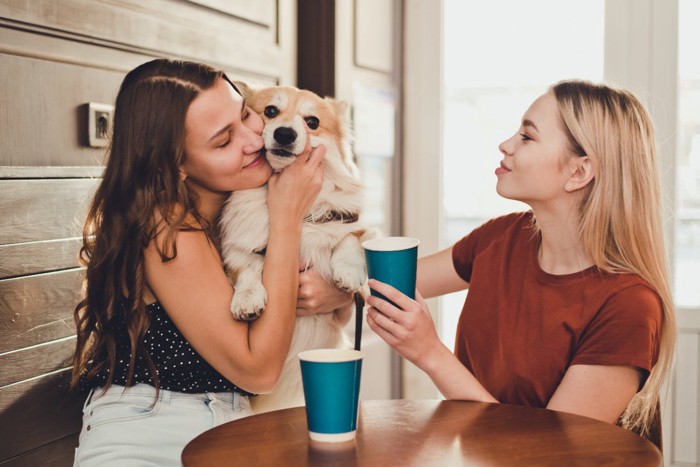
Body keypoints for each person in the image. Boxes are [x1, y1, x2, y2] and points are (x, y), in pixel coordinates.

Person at [70, 58, 354, 465]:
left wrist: (335, 296)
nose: (254, 141)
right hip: (150, 437)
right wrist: (287, 217)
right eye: (224, 141)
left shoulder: (236, 209)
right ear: (176, 166)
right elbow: (259, 371)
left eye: (245, 116)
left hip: (227, 430)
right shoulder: (166, 228)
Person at [366, 80, 676, 441]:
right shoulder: (501, 238)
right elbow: (387, 284)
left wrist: (430, 353)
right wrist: (324, 285)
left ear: (579, 172)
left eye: (527, 137)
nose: (506, 145)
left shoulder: (629, 306)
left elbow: (550, 455)